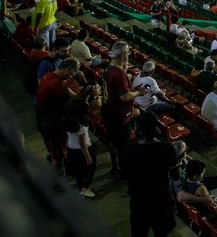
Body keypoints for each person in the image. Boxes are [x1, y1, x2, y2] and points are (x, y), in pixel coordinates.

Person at [121, 112, 178, 237]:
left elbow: (123, 177)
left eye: (135, 126)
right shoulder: (167, 149)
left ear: (140, 130)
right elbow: (175, 176)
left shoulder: (128, 151)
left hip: (139, 203)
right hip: (161, 201)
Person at [103, 42, 143, 178]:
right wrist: (138, 93)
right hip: (120, 116)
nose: (129, 55)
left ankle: (117, 168)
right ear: (121, 55)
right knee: (123, 146)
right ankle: (124, 172)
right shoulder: (118, 73)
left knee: (115, 144)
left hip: (110, 113)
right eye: (127, 52)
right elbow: (125, 96)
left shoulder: (110, 68)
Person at [65, 98, 98, 198]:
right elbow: (82, 143)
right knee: (91, 168)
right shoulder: (81, 125)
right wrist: (88, 157)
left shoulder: (69, 120)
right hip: (84, 150)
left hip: (72, 150)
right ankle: (86, 188)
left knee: (78, 172)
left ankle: (81, 190)